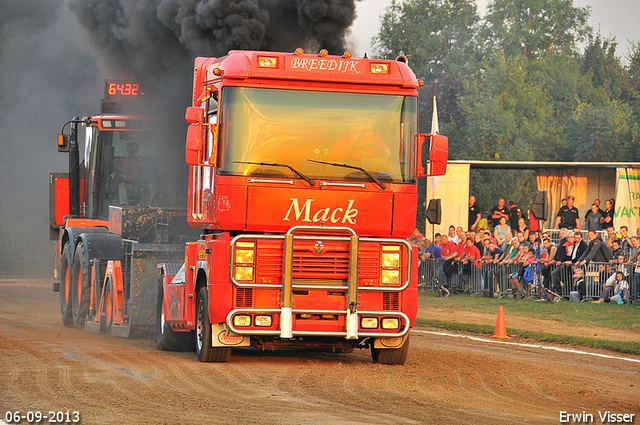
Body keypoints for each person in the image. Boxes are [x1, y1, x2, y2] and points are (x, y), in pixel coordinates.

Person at [113, 141, 156, 206]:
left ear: (137, 150)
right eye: (130, 149)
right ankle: (124, 206)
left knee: (152, 187)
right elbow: (114, 172)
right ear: (127, 150)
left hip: (141, 185)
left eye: (134, 149)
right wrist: (122, 176)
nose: (132, 151)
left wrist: (143, 177)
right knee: (121, 186)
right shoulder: (122, 161)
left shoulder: (142, 161)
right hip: (128, 185)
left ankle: (147, 206)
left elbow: (151, 173)